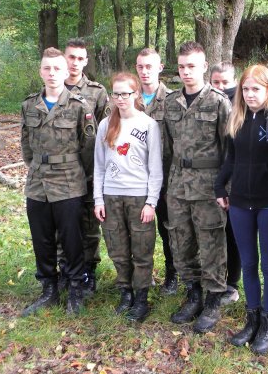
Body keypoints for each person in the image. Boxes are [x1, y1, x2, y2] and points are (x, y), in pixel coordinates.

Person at [214, 65, 268, 354]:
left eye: (256, 89)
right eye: (246, 89)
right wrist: (219, 187)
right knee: (248, 263)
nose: (250, 95)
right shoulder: (236, 116)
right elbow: (230, 159)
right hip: (239, 201)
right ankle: (251, 320)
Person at [20, 47, 96, 316]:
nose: (52, 73)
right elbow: (26, 145)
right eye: (47, 68)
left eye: (57, 68)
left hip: (68, 182)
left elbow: (88, 147)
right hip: (38, 183)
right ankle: (49, 289)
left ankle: (75, 288)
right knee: (41, 239)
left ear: (66, 72)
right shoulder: (29, 105)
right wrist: (38, 166)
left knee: (72, 238)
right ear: (41, 71)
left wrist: (77, 173)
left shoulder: (79, 107)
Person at [162, 41, 231, 333]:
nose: (186, 72)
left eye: (192, 66)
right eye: (182, 67)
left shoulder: (218, 102)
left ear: (204, 67)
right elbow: (167, 147)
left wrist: (224, 188)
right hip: (178, 185)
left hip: (208, 185)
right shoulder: (170, 102)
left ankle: (214, 299)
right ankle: (193, 294)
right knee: (182, 241)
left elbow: (229, 149)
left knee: (211, 242)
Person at [93, 73, 162, 321]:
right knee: (118, 249)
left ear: (136, 95)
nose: (120, 98)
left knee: (142, 250)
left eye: (126, 93)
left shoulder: (148, 125)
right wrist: (98, 200)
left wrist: (151, 202)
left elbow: (155, 168)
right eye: (116, 93)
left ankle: (142, 298)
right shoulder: (105, 125)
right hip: (111, 196)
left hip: (139, 197)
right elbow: (99, 166)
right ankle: (126, 292)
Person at [56, 38, 111, 297]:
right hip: (59, 174)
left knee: (89, 226)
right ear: (63, 58)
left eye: (80, 58)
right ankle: (66, 269)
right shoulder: (52, 89)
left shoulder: (97, 92)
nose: (75, 62)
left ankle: (88, 271)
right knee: (61, 225)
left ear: (86, 61)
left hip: (88, 171)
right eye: (71, 57)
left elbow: (109, 130)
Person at [135, 48, 177, 295]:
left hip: (165, 178)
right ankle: (142, 274)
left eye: (150, 66)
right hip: (135, 178)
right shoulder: (128, 99)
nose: (145, 71)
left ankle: (173, 274)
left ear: (160, 67)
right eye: (140, 66)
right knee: (138, 230)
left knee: (168, 228)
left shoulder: (172, 100)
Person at [209, 61, 242, 306]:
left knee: (233, 234)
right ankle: (212, 278)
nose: (221, 87)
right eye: (216, 83)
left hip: (236, 180)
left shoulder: (241, 105)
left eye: (226, 83)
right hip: (209, 178)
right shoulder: (209, 102)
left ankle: (232, 282)